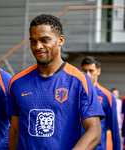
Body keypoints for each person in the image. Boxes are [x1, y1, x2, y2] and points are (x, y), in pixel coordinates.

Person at [7, 14, 105, 150]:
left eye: (44, 40)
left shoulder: (79, 80)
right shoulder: (17, 82)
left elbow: (94, 131)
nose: (37, 46)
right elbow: (15, 130)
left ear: (60, 40)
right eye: (33, 41)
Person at [81, 56, 121, 150]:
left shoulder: (108, 97)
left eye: (91, 71)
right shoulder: (74, 94)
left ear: (98, 71)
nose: (88, 74)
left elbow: (114, 130)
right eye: (84, 71)